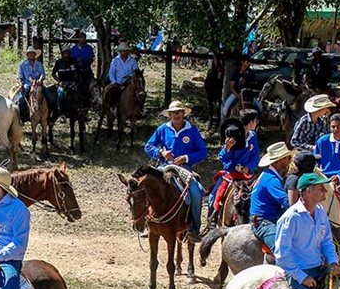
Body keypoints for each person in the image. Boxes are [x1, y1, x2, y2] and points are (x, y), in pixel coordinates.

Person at [274, 172, 340, 289]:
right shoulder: (290, 218)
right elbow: (282, 255)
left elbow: (327, 241)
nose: (324, 190)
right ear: (308, 191)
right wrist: (302, 277)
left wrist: (333, 261)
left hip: (319, 267)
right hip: (297, 272)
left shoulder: (320, 212)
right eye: (320, 188)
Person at [144, 101, 209, 242]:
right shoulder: (162, 129)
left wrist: (186, 158)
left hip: (183, 169)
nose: (176, 115)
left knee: (197, 194)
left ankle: (194, 228)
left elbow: (203, 152)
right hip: (163, 166)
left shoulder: (192, 130)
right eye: (173, 113)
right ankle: (147, 221)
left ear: (183, 114)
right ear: (169, 115)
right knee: (146, 187)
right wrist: (161, 152)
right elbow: (148, 146)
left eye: (178, 112)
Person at [249, 142, 296, 252]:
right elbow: (287, 203)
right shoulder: (272, 180)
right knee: (282, 250)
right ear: (279, 161)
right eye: (287, 158)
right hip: (264, 222)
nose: (289, 160)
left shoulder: (268, 175)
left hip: (265, 218)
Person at [220, 56, 260, 121]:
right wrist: (237, 95)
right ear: (242, 62)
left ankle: (259, 124)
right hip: (237, 93)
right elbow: (231, 87)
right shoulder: (236, 72)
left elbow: (253, 85)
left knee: (259, 107)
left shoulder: (251, 73)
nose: (249, 63)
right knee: (225, 108)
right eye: (247, 62)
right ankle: (224, 123)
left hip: (248, 94)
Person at [103, 43, 139, 107]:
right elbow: (111, 72)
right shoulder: (115, 61)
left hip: (129, 83)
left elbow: (136, 73)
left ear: (127, 51)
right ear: (119, 52)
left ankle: (139, 110)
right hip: (117, 82)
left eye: (125, 51)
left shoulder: (132, 61)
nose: (123, 53)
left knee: (140, 95)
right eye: (122, 51)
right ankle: (111, 108)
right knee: (110, 92)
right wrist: (114, 82)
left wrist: (131, 78)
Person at [16, 46, 46, 119]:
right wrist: (20, 84)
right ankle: (21, 116)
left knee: (50, 97)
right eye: (30, 53)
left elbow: (43, 74)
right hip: (27, 84)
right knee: (21, 99)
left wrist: (40, 80)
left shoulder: (39, 64)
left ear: (35, 54)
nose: (31, 55)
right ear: (27, 55)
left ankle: (50, 117)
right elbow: (19, 77)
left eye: (33, 53)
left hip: (38, 85)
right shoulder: (22, 65)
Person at [52, 46, 78, 116]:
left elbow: (76, 72)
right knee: (60, 93)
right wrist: (59, 81)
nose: (67, 54)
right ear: (63, 54)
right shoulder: (59, 62)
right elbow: (53, 73)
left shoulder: (74, 61)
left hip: (72, 82)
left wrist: (75, 80)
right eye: (65, 53)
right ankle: (61, 113)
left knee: (78, 93)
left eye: (68, 52)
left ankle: (79, 112)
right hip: (63, 82)